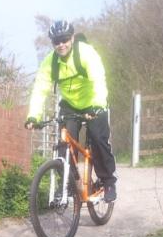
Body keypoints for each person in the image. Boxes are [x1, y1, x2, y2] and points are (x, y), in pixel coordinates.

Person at [25, 20, 117, 203]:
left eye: (65, 40)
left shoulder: (85, 53)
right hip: (70, 104)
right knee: (64, 143)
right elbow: (40, 89)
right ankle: (69, 183)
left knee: (98, 138)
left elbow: (98, 79)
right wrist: (33, 115)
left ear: (72, 38)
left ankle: (107, 182)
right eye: (57, 41)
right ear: (53, 43)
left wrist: (98, 105)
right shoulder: (50, 62)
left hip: (93, 102)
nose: (61, 45)